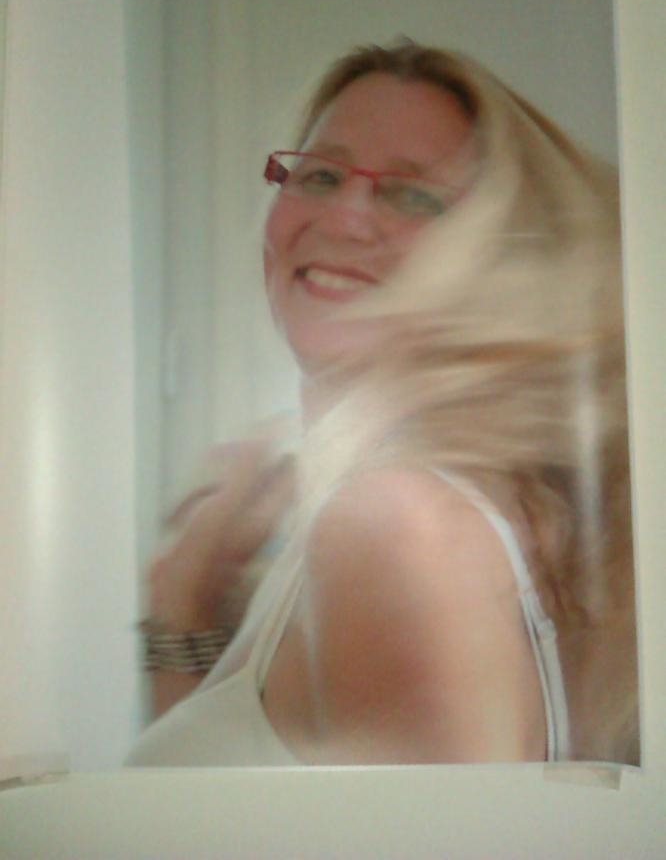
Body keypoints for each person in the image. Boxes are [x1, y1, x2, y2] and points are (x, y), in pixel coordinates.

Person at [127, 40, 638, 767]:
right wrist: (183, 599)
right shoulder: (384, 512)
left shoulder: (394, 526)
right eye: (320, 174)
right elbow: (214, 808)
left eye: (412, 195)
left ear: (495, 256)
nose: (345, 217)